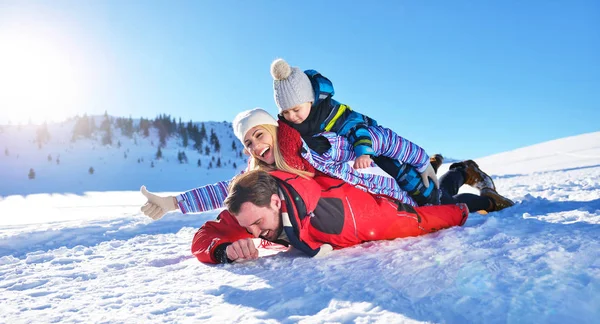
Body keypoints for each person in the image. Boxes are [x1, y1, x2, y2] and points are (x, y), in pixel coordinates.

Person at [141, 109, 514, 222]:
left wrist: (417, 160)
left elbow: (373, 138)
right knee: (437, 203)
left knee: (441, 205)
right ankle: (455, 171)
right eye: (249, 142)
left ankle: (473, 183)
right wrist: (173, 203)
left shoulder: (315, 145)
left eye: (259, 134)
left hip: (393, 191)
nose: (256, 144)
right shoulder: (265, 173)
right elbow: (226, 191)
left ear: (272, 129)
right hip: (375, 210)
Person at [191, 169, 469, 264]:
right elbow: (204, 237)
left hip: (393, 200)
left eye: (257, 224)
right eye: (246, 227)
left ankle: (462, 176)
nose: (251, 234)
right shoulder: (252, 205)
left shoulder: (342, 219)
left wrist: (459, 214)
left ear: (276, 202)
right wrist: (222, 251)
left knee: (441, 199)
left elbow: (414, 221)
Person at [271, 58, 436, 205]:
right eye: (285, 112)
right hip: (352, 171)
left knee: (413, 182)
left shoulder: (332, 112)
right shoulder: (292, 127)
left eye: (295, 109)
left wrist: (363, 152)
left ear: (310, 100)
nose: (291, 116)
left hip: (375, 152)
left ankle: (443, 186)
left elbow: (356, 127)